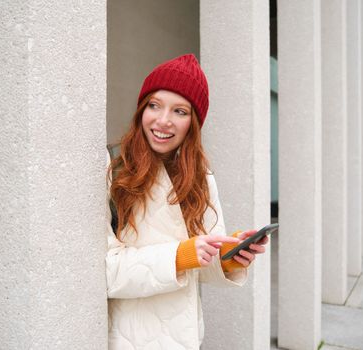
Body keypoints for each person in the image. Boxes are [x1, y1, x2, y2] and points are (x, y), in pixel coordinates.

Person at [105, 54, 269, 349]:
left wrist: (230, 257)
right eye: (154, 105)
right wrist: (179, 256)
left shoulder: (201, 178)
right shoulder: (115, 170)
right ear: (141, 108)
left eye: (179, 111)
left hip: (185, 334)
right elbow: (104, 271)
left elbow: (202, 263)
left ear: (193, 122)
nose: (163, 120)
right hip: (131, 336)